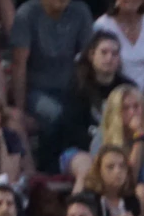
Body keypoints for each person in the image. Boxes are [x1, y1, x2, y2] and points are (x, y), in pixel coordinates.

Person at [9, 0, 95, 144]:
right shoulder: (27, 15)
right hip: (37, 90)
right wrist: (20, 110)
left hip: (70, 88)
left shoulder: (81, 11)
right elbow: (19, 66)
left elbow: (89, 58)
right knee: (55, 114)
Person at [53, 32, 131, 176]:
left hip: (118, 149)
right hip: (78, 151)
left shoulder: (128, 88)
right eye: (104, 52)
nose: (109, 58)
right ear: (91, 55)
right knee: (87, 170)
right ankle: (79, 199)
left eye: (115, 54)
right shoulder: (76, 87)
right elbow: (72, 130)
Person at [96, 82, 144, 216]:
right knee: (142, 190)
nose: (132, 112)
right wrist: (139, 139)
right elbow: (127, 180)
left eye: (136, 107)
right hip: (110, 193)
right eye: (125, 108)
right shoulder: (102, 139)